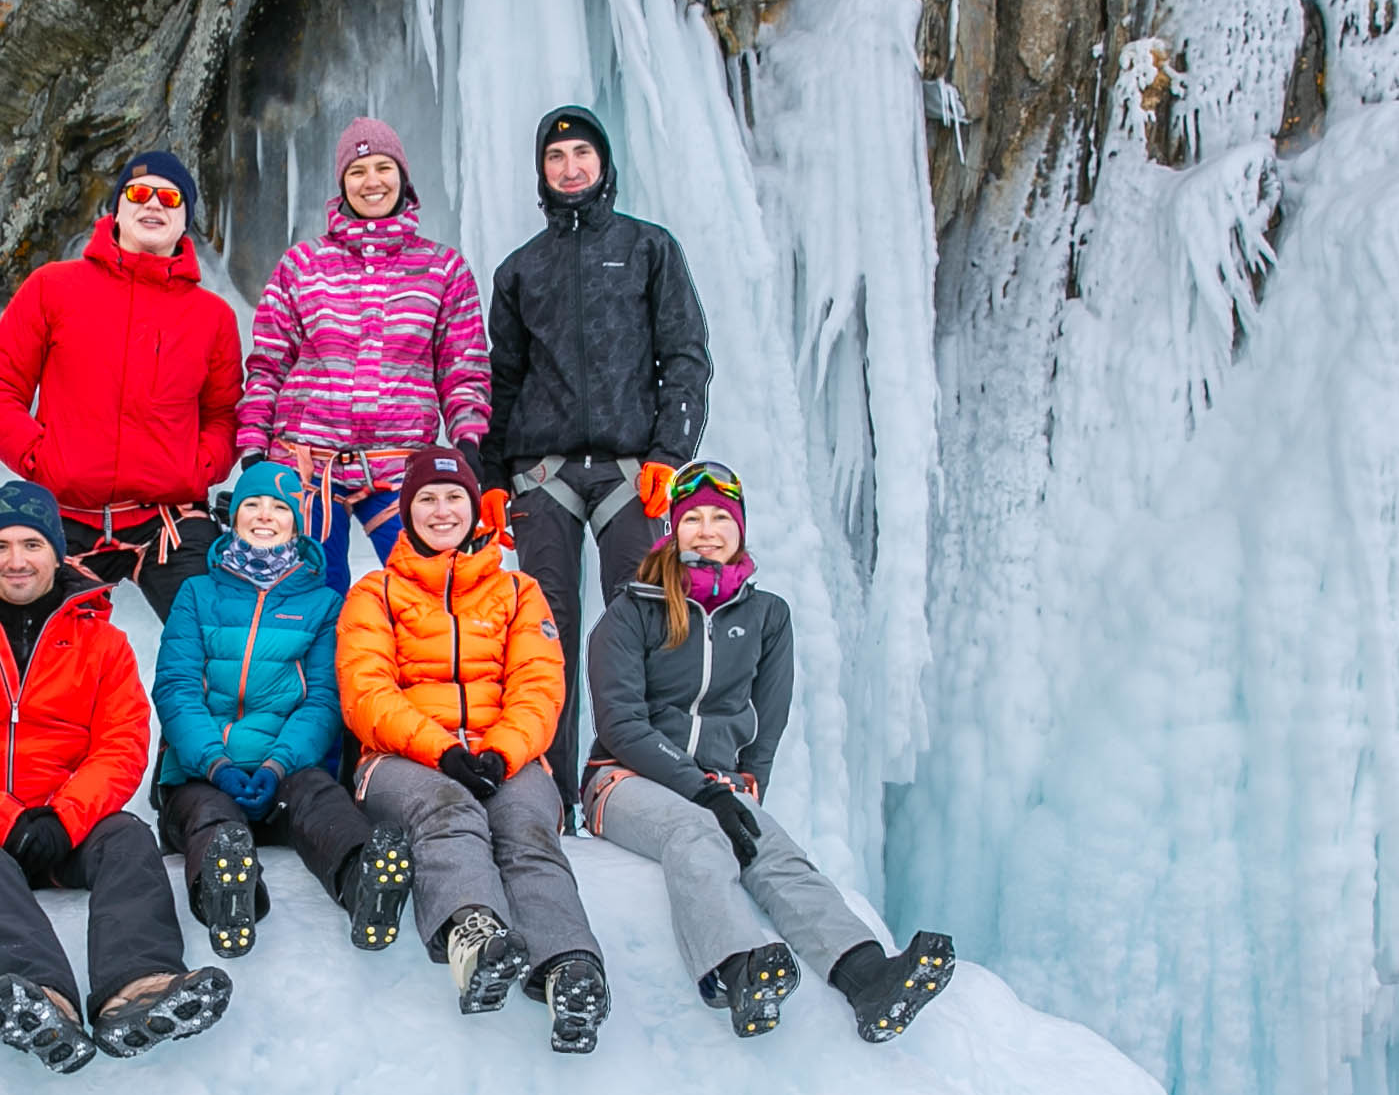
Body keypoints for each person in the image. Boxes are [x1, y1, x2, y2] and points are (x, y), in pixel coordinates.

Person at [583, 462, 954, 1040]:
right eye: (694, 519)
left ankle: (867, 978)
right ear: (673, 530)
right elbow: (622, 725)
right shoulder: (632, 612)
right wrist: (706, 791)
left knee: (777, 853)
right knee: (697, 834)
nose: (706, 530)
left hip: (717, 784)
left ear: (740, 529)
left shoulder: (767, 616)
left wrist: (746, 784)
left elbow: (769, 717)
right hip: (624, 781)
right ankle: (735, 972)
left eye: (720, 519)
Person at [0, 480, 234, 1074]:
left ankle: (139, 987)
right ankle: (41, 1002)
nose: (15, 560)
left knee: (129, 838)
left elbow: (122, 743)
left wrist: (63, 817)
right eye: (0, 545)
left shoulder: (104, 643)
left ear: (59, 553)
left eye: (31, 543)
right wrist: (4, 822)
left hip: (68, 823)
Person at [334, 446, 608, 1052]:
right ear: (406, 512)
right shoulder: (374, 593)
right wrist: (443, 752)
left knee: (527, 829)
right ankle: (474, 939)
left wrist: (503, 753)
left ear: (474, 508)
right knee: (448, 811)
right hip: (400, 760)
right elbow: (366, 692)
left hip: (503, 754)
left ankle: (569, 969)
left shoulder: (518, 592)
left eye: (454, 496)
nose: (441, 510)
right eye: (426, 499)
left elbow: (539, 685)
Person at [484, 106, 713, 782]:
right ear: (542, 173)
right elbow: (501, 382)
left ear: (604, 164)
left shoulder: (650, 249)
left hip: (629, 471)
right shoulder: (521, 270)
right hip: (543, 473)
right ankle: (550, 787)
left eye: (582, 153)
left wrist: (670, 456)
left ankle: (624, 775)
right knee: (544, 632)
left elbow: (686, 357)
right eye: (556, 158)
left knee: (638, 629)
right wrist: (491, 475)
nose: (570, 166)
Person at [150, 458, 414, 956]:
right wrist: (216, 763)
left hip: (285, 771)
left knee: (321, 799)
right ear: (234, 516)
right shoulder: (197, 593)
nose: (264, 515)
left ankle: (364, 880)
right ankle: (228, 893)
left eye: (278, 507)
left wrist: (277, 764)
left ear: (296, 520)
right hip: (203, 771)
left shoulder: (322, 603)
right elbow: (176, 688)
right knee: (210, 815)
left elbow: (322, 701)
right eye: (251, 504)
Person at [0, 149, 242, 619]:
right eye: (139, 193)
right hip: (67, 515)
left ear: (185, 221)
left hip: (166, 521)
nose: (153, 204)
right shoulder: (53, 287)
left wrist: (199, 468)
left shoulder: (212, 316)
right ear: (119, 209)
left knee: (216, 642)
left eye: (170, 198)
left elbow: (224, 414)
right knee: (47, 653)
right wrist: (39, 457)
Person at [235, 118, 489, 590]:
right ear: (342, 183)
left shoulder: (442, 268)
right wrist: (254, 449)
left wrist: (469, 440)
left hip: (400, 465)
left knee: (427, 591)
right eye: (357, 171)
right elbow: (268, 364)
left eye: (383, 167)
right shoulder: (303, 265)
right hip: (306, 462)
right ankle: (322, 668)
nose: (372, 181)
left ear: (402, 176)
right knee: (312, 596)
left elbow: (463, 367)